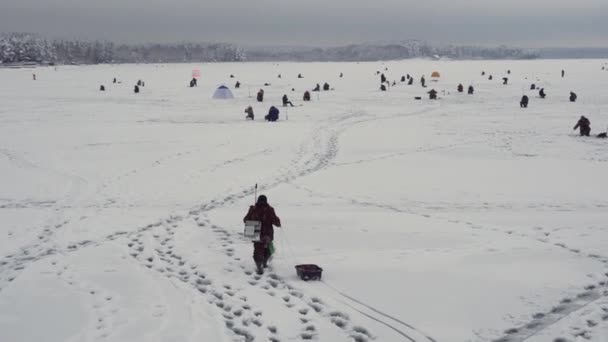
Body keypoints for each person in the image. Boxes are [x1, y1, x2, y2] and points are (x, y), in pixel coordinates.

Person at [243, 196, 280, 275]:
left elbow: (245, 220)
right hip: (267, 235)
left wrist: (251, 212)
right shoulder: (270, 210)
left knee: (257, 251)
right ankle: (264, 262)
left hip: (256, 234)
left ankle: (259, 266)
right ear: (266, 201)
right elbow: (276, 222)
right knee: (268, 250)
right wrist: (278, 222)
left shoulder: (253, 209)